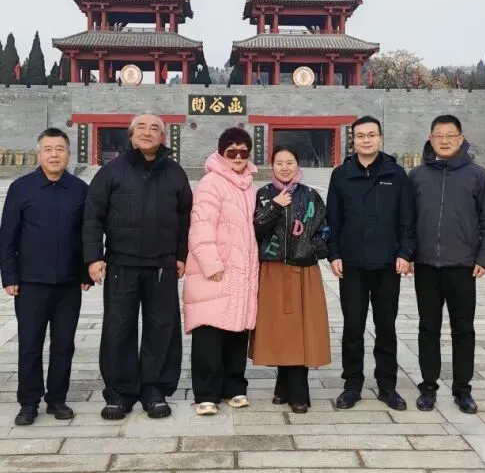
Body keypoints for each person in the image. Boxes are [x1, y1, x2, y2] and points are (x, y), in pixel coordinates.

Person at [83, 114, 193, 420]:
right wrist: (94, 257)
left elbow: (185, 218)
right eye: (140, 128)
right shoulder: (111, 171)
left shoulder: (175, 173)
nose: (147, 132)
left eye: (154, 128)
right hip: (121, 263)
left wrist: (181, 255)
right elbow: (92, 216)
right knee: (118, 328)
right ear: (130, 136)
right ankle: (119, 393)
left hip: (162, 265)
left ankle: (155, 390)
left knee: (162, 328)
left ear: (163, 137)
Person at [408, 114, 485, 414]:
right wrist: (407, 253)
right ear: (430, 138)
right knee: (428, 328)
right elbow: (406, 220)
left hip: (463, 265)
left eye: (450, 135)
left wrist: (484, 258)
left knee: (463, 329)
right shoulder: (417, 176)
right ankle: (428, 386)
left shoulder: (478, 176)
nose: (444, 141)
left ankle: (462, 388)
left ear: (461, 139)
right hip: (425, 265)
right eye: (439, 135)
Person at [0, 128, 92, 426]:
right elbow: (7, 235)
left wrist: (85, 272)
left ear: (68, 154)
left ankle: (57, 398)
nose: (54, 155)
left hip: (68, 283)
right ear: (39, 154)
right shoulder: (21, 188)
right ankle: (28, 402)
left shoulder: (79, 189)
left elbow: (87, 234)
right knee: (30, 343)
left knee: (64, 344)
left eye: (60, 149)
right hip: (30, 283)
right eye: (48, 149)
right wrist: (9, 276)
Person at [326, 115, 415, 411]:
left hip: (388, 264)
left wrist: (405, 252)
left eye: (371, 135)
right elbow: (332, 219)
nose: (366, 140)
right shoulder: (341, 174)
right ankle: (352, 385)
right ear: (353, 140)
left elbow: (407, 218)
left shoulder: (396, 174)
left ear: (380, 138)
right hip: (351, 264)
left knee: (386, 326)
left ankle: (387, 385)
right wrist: (334, 254)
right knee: (353, 327)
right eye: (360, 135)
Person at [183, 128, 259, 416]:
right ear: (221, 153)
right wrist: (211, 264)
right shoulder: (211, 183)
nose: (238, 157)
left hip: (243, 271)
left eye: (243, 152)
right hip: (215, 271)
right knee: (210, 333)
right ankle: (206, 393)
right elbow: (200, 226)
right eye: (232, 152)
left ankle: (234, 387)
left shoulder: (249, 186)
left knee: (237, 329)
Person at [250, 145, 331, 414]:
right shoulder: (263, 195)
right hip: (272, 270)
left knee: (300, 329)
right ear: (271, 166)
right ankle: (283, 383)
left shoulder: (310, 195)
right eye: (279, 163)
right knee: (280, 329)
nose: (285, 168)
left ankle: (297, 390)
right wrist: (275, 207)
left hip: (303, 270)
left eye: (290, 162)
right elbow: (254, 231)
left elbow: (325, 229)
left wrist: (311, 248)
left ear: (298, 165)